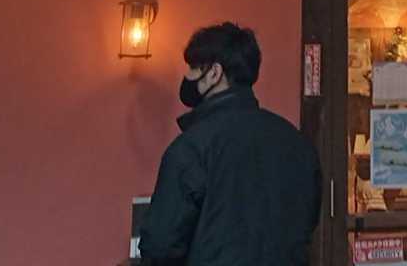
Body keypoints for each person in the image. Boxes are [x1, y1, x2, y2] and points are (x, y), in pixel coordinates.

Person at [135, 23, 322, 265]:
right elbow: (307, 225)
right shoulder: (298, 145)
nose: (187, 76)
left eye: (193, 67)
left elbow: (160, 245)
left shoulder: (191, 148)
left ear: (214, 73)